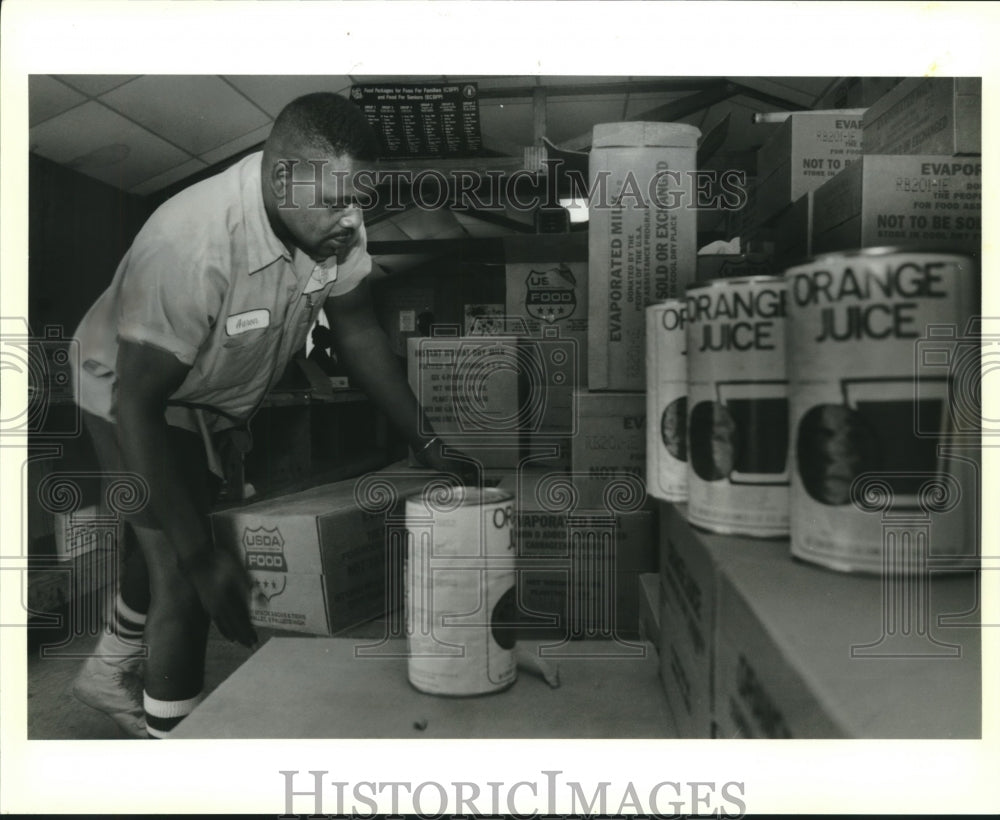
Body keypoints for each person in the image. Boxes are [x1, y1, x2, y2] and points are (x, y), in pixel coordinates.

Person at [70, 92, 471, 738]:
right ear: (284, 177)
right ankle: (173, 745)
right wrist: (203, 559)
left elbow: (361, 331)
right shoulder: (188, 242)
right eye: (340, 200)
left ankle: (108, 669)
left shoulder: (333, 220)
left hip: (197, 397)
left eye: (361, 198)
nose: (353, 217)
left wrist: (426, 441)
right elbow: (138, 404)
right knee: (180, 567)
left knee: (168, 528)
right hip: (121, 389)